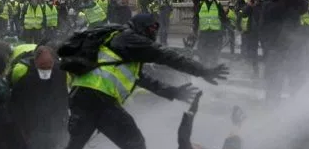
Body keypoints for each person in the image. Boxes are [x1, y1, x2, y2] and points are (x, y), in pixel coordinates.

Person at [64, 13, 229, 149]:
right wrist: (203, 70)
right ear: (141, 27)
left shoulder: (121, 46)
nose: (154, 34)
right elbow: (165, 55)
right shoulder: (129, 38)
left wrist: (173, 92)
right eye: (151, 28)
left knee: (75, 145)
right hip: (98, 98)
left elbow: (142, 79)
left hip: (82, 97)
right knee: (135, 143)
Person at [7, 44, 68, 149]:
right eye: (43, 67)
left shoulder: (60, 75)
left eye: (48, 67)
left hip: (49, 126)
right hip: (33, 127)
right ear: (35, 63)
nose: (45, 72)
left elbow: (63, 97)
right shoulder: (22, 75)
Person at [260, 0, 308, 105]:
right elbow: (277, 9)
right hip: (275, 48)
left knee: (296, 77)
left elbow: (304, 7)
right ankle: (272, 105)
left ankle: (297, 105)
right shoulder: (268, 4)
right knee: (274, 79)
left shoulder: (292, 2)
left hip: (293, 47)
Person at [194, 0, 229, 66]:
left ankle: (213, 65)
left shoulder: (217, 3)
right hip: (204, 31)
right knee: (201, 49)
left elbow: (223, 16)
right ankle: (203, 64)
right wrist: (194, 28)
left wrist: (225, 27)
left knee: (215, 50)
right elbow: (196, 17)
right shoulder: (201, 4)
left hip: (215, 32)